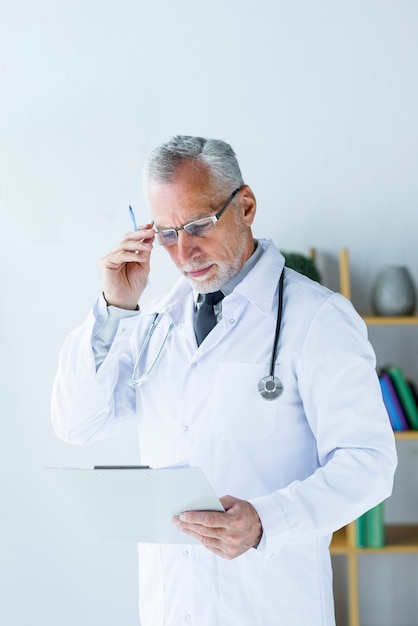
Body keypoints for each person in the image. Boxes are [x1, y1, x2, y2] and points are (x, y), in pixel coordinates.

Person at [51, 135, 397, 626]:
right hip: (171, 607)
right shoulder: (153, 322)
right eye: (167, 234)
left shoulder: (318, 319)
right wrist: (113, 309)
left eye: (197, 226)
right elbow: (76, 423)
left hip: (270, 605)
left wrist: (264, 523)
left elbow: (369, 464)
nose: (183, 252)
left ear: (247, 205)